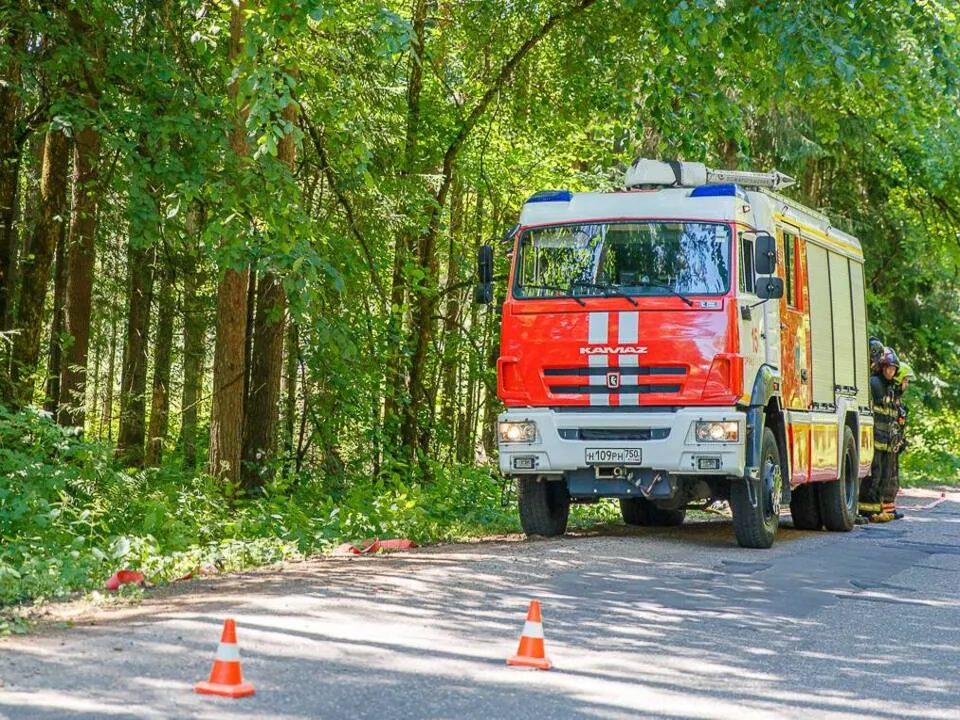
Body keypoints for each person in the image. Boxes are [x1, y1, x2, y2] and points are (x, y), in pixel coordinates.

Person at [858, 347, 900, 522]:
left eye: (894, 369)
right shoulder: (874, 384)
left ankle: (877, 509)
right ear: (882, 367)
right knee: (873, 477)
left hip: (887, 442)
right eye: (889, 368)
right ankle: (867, 511)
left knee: (883, 477)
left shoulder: (890, 388)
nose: (891, 371)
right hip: (875, 440)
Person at [883, 361, 915, 519]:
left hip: (894, 444)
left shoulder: (896, 400)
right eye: (905, 381)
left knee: (893, 476)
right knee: (889, 476)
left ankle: (889, 509)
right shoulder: (890, 398)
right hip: (888, 444)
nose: (906, 385)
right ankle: (885, 508)